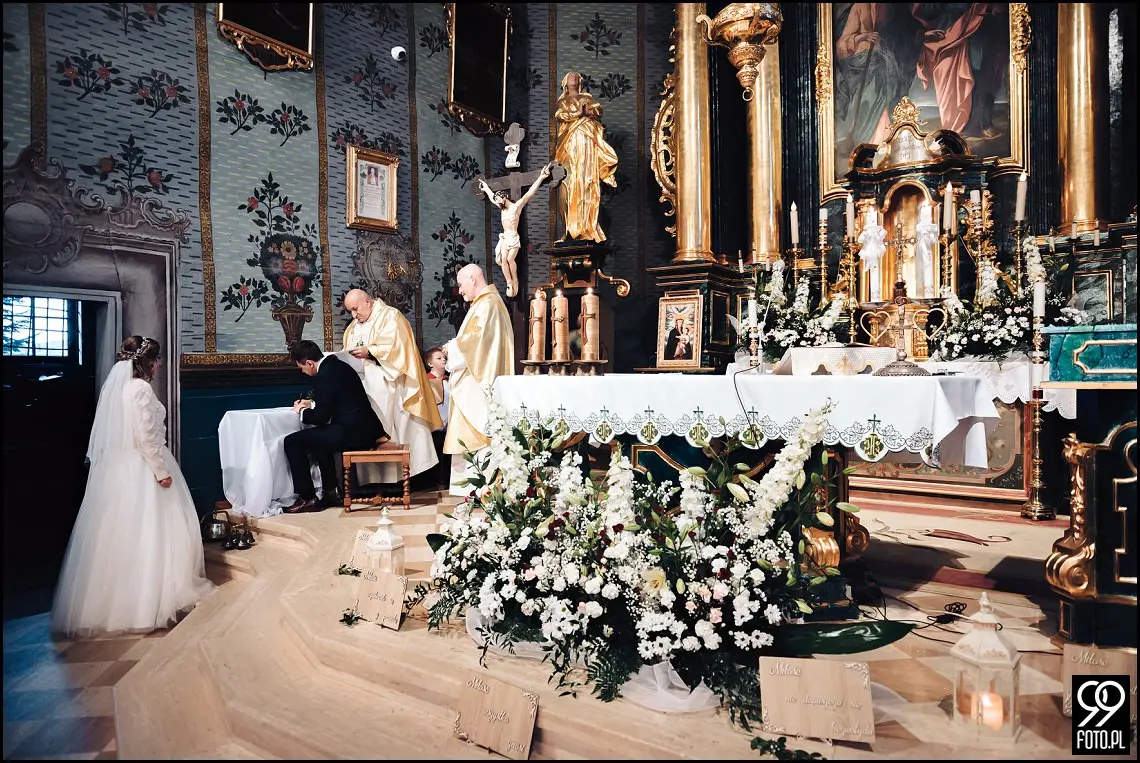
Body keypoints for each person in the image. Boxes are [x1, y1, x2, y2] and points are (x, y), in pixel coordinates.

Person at [52, 336, 213, 637]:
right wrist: (161, 471)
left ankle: (117, 605)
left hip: (120, 470)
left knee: (121, 533)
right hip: (143, 467)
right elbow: (145, 437)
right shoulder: (140, 389)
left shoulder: (119, 389)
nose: (161, 363)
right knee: (154, 531)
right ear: (148, 361)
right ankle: (151, 601)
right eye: (158, 358)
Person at [342, 289, 441, 485]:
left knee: (392, 429)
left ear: (368, 302)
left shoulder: (390, 316)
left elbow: (397, 348)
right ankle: (375, 481)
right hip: (364, 387)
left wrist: (370, 352)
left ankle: (400, 480)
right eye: (350, 311)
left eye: (355, 309)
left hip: (389, 384)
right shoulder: (354, 327)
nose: (354, 315)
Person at [284, 340, 386, 514]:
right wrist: (312, 403)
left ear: (309, 362)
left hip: (354, 433)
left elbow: (320, 418)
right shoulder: (337, 366)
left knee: (292, 441)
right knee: (319, 439)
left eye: (301, 367)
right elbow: (337, 400)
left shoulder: (325, 375)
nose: (302, 371)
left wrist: (302, 411)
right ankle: (330, 492)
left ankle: (308, 498)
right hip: (363, 428)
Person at [443, 264, 515, 494]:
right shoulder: (484, 304)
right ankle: (471, 486)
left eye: (461, 284)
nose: (459, 290)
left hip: (480, 381)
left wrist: (449, 349)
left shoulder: (487, 305)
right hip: (477, 377)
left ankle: (479, 487)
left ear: (473, 279)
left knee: (479, 426)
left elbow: (473, 343)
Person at [554, 71, 619, 243]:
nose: (573, 78)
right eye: (570, 76)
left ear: (580, 82)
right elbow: (561, 116)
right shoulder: (562, 101)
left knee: (586, 182)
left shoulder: (587, 97)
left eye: (576, 77)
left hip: (587, 145)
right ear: (565, 82)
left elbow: (597, 113)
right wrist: (578, 113)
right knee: (568, 183)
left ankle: (586, 226)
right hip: (570, 144)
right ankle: (570, 229)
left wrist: (589, 111)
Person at [477, 163, 552, 298]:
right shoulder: (502, 207)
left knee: (510, 259)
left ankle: (515, 280)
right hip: (505, 238)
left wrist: (541, 177)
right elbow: (490, 196)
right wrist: (486, 187)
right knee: (503, 260)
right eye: (497, 201)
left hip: (513, 237)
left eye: (499, 200)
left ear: (504, 197)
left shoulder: (516, 207)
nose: (497, 203)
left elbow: (529, 194)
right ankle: (509, 282)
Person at [424, 346, 451, 490]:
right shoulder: (426, 381)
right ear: (430, 363)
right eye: (439, 358)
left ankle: (446, 479)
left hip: (449, 422)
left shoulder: (450, 380)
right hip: (435, 424)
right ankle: (434, 480)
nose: (443, 361)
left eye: (444, 358)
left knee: (447, 453)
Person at [858, 206, 888, 303]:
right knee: (872, 265)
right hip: (870, 251)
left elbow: (882, 237)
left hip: (876, 252)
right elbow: (861, 240)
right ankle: (873, 297)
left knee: (875, 265)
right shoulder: (867, 236)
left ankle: (876, 296)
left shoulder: (878, 237)